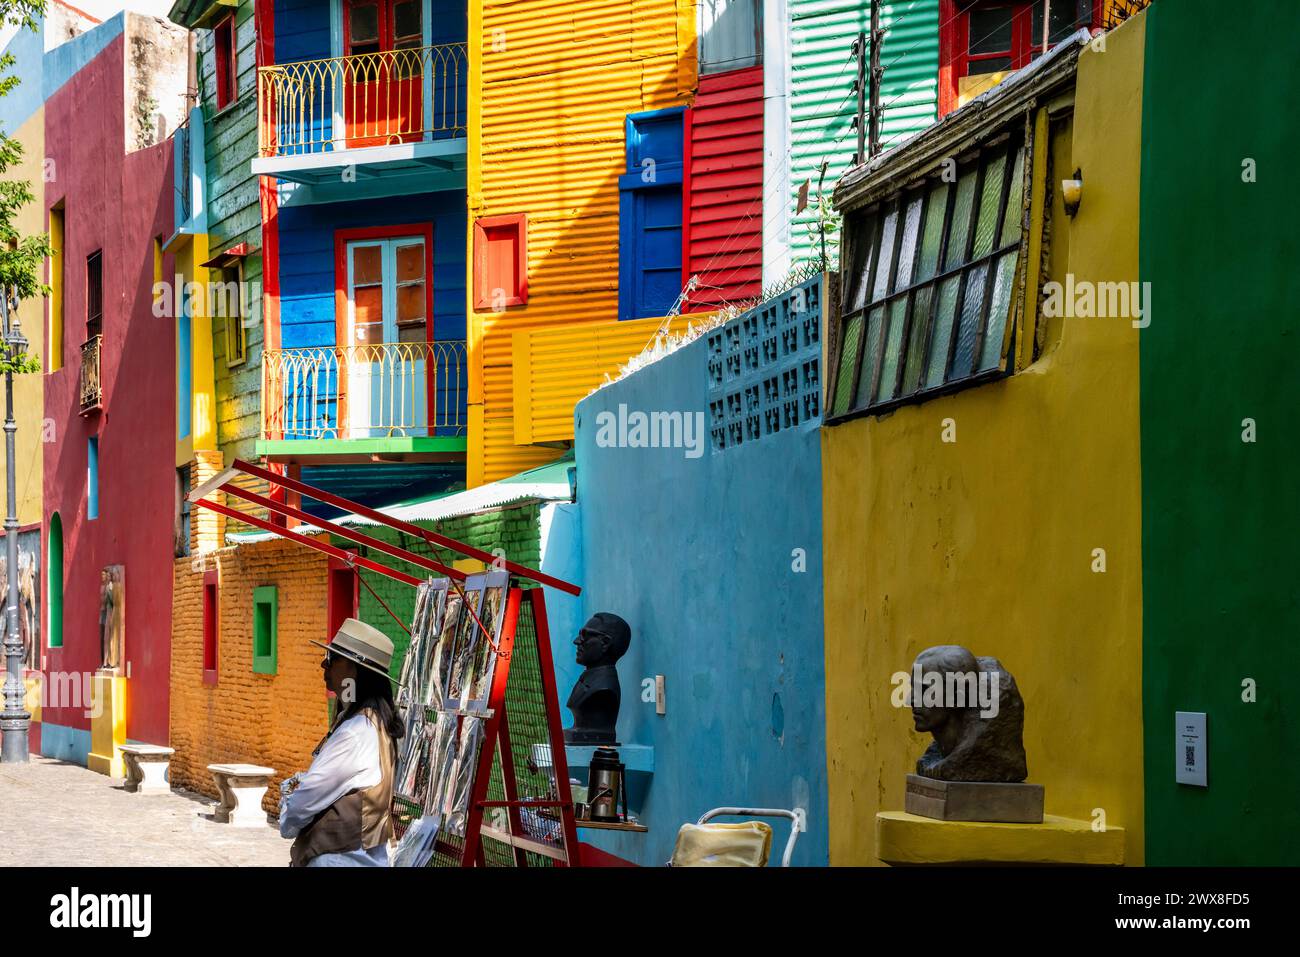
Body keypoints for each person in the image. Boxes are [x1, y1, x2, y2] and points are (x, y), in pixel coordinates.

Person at [279, 618, 405, 867]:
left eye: (333, 659)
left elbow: (304, 801)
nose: (324, 665)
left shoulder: (356, 732)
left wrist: (288, 808)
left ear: (355, 670)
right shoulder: (374, 723)